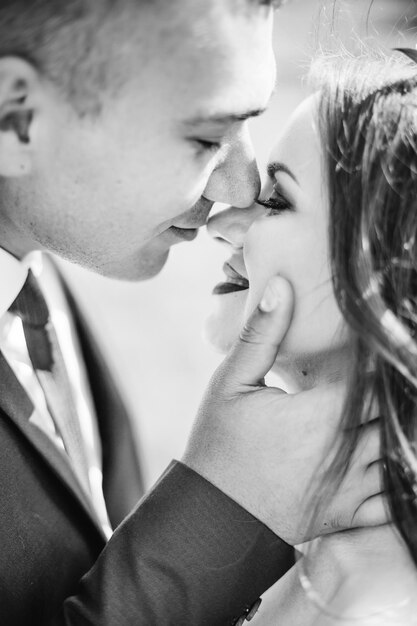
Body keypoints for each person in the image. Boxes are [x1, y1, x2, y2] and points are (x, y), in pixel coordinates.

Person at [0, 1, 385, 624]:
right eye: (207, 137)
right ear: (17, 118)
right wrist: (223, 504)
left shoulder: (36, 267)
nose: (238, 187)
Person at [205, 49, 417, 624]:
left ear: (390, 275)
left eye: (277, 201)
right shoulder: (314, 551)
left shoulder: (373, 610)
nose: (222, 225)